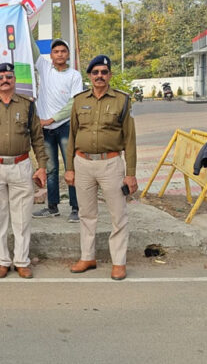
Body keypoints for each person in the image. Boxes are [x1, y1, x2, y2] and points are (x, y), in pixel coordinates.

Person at [0, 63, 48, 279]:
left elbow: (37, 138)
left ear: (14, 80)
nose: (5, 80)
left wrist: (42, 166)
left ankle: (22, 261)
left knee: (22, 216)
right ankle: (3, 261)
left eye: (9, 76)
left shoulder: (27, 105)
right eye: (0, 77)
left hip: (21, 165)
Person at [65, 55, 137, 281]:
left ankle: (119, 262)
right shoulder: (79, 101)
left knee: (118, 214)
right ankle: (87, 257)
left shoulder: (121, 100)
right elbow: (72, 135)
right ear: (89, 76)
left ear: (110, 75)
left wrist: (131, 174)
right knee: (86, 214)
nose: (99, 76)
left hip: (111, 164)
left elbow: (130, 140)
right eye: (95, 72)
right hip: (83, 164)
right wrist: (69, 167)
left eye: (104, 72)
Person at [31, 39, 83, 222]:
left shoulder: (74, 75)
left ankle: (76, 208)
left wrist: (51, 119)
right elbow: (32, 47)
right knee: (50, 169)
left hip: (65, 126)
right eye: (56, 51)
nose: (60, 54)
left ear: (68, 54)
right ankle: (52, 207)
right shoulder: (44, 68)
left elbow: (73, 103)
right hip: (46, 130)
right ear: (51, 55)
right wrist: (24, 22)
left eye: (63, 51)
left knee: (71, 167)